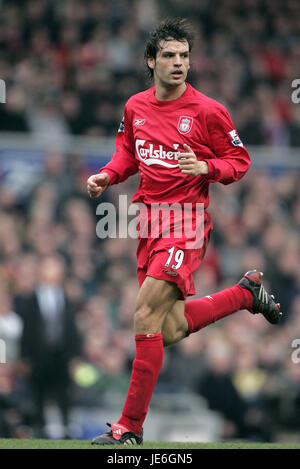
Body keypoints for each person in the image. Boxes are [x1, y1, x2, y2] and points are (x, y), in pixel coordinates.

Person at [87, 18, 282, 445]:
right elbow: (127, 154)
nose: (179, 63)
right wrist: (106, 175)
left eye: (184, 56)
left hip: (186, 224)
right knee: (168, 329)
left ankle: (129, 429)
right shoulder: (135, 106)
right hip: (149, 224)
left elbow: (240, 161)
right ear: (150, 61)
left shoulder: (208, 111)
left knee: (142, 315)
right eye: (170, 56)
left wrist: (207, 167)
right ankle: (245, 295)